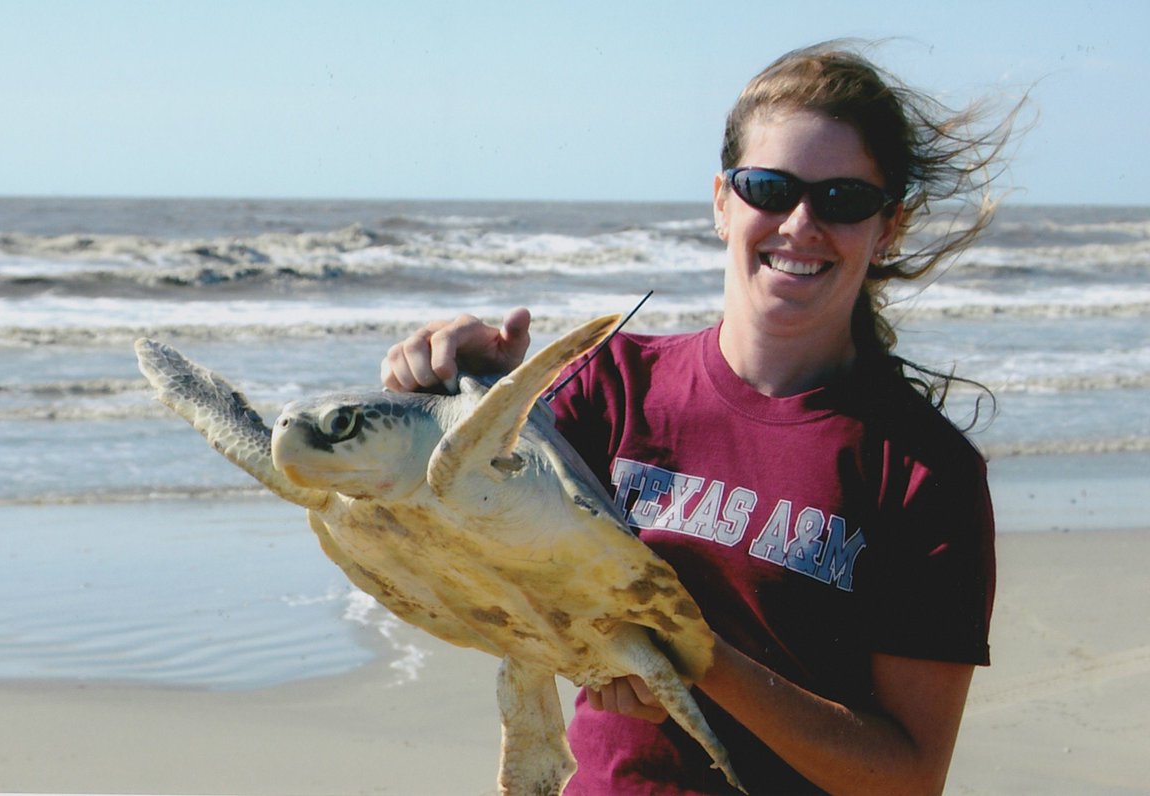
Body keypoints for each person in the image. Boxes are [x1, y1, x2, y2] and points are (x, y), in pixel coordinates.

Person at [382, 41, 1018, 795]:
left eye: (843, 199)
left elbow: (907, 777)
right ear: (723, 202)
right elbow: (456, 541)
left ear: (888, 228)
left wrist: (689, 654)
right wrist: (457, 392)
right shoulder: (610, 386)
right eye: (770, 189)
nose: (801, 223)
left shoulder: (921, 473)